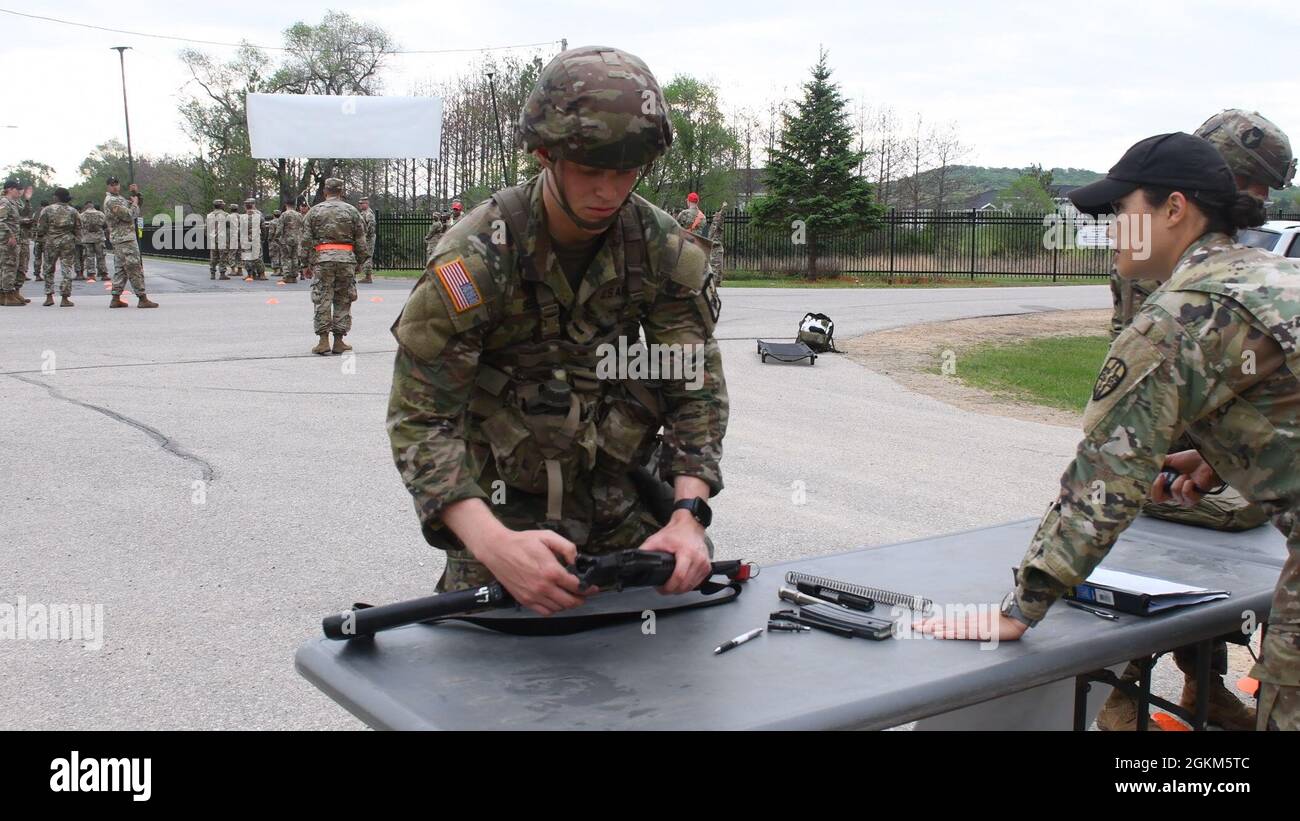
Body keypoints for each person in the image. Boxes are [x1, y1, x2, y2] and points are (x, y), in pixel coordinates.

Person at [919, 132, 1300, 733]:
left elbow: (1106, 479)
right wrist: (1221, 459)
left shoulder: (1180, 317)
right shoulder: (1274, 277)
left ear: (1174, 210)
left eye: (1121, 213)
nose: (1109, 231)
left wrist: (1022, 608)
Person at [386, 45, 728, 615]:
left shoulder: (662, 249)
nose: (609, 191)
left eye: (626, 172)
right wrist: (493, 544)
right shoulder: (477, 256)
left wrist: (687, 516)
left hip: (628, 514)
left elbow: (693, 388)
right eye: (591, 171)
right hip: (503, 520)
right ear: (546, 155)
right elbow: (422, 417)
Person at [1094, 109, 1294, 731]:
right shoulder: (1167, 255)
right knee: (1157, 572)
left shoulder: (1242, 248)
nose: (1256, 204)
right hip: (1169, 435)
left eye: (1263, 193)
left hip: (1225, 452)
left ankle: (1201, 687)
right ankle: (1125, 691)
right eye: (1248, 189)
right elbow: (1153, 370)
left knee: (1217, 584)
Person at [300, 178, 367, 354]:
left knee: (323, 297)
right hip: (346, 260)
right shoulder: (352, 211)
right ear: (341, 191)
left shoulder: (315, 212)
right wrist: (359, 262)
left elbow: (306, 240)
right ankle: (338, 340)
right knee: (343, 299)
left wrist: (305, 263)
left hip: (323, 260)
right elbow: (361, 240)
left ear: (325, 191)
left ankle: (323, 341)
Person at [103, 177, 157, 308]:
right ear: (108, 187)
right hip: (124, 238)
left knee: (121, 269)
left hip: (123, 238)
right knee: (134, 267)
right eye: (112, 185)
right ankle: (142, 298)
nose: (115, 187)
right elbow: (128, 215)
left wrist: (135, 195)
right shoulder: (112, 201)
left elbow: (136, 207)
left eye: (117, 184)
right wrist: (134, 204)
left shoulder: (119, 199)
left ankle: (115, 297)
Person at [36, 187, 80, 307]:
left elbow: (41, 228)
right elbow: (78, 228)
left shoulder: (47, 210)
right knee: (67, 269)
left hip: (51, 242)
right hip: (67, 242)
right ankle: (65, 298)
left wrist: (43, 237)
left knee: (49, 268)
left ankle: (49, 296)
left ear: (56, 197)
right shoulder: (73, 211)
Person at [0, 178, 25, 306]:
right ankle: (7, 294)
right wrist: (10, 235)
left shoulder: (13, 202)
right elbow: (1, 220)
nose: (19, 192)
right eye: (17, 189)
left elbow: (21, 211)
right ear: (9, 189)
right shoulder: (4, 202)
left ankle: (5, 294)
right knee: (9, 266)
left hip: (12, 238)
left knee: (9, 266)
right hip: (7, 240)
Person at [78, 201, 108, 284]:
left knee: (89, 256)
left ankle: (91, 274)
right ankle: (103, 273)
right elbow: (105, 225)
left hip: (87, 238)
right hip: (99, 237)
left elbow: (79, 226)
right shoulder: (100, 214)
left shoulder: (82, 215)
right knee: (101, 256)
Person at [278, 200, 305, 283]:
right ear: (295, 205)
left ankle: (287, 275)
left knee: (286, 257)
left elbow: (280, 228)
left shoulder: (284, 214)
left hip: (287, 239)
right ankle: (294, 276)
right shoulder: (299, 215)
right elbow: (303, 227)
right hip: (297, 239)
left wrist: (277, 237)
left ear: (286, 205)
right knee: (295, 257)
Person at [241, 198, 265, 281]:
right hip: (256, 238)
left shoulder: (243, 217)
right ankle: (261, 274)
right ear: (253, 204)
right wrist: (263, 237)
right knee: (258, 256)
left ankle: (250, 274)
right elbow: (263, 227)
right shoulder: (259, 215)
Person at [358, 195, 376, 284]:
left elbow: (371, 226)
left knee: (368, 256)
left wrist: (367, 236)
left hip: (368, 239)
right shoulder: (363, 213)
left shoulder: (368, 213)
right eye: (359, 203)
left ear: (366, 204)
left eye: (361, 203)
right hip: (364, 238)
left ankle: (368, 277)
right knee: (363, 255)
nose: (360, 205)